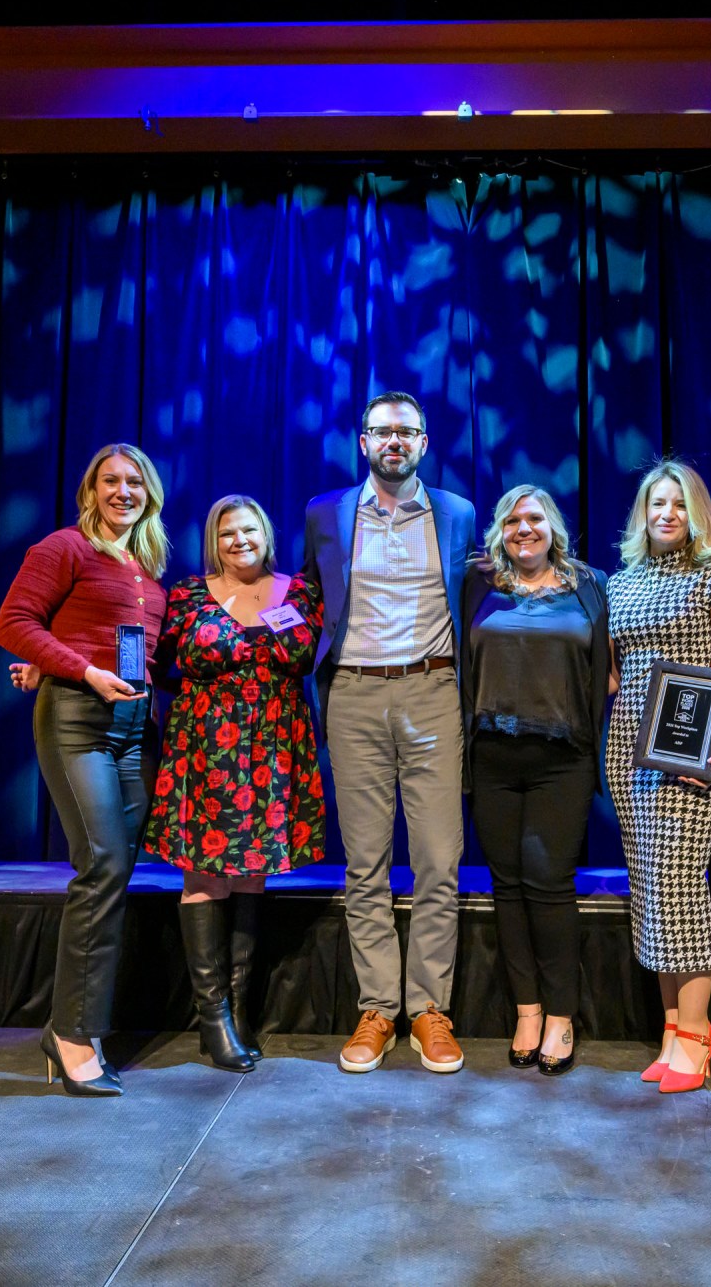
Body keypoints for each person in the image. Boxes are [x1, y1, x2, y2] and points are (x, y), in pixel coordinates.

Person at [303, 391, 477, 1074]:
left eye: (407, 431)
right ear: (363, 442)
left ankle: (429, 1008)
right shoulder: (326, 512)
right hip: (353, 694)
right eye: (382, 431)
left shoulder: (458, 513)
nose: (394, 440)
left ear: (425, 443)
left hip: (433, 691)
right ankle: (378, 1007)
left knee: (438, 859)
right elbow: (308, 598)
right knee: (365, 864)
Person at [0, 443, 169, 1097]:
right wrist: (76, 669)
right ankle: (70, 1034)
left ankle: (78, 1024)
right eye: (110, 481)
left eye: (134, 482)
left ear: (150, 493)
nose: (123, 491)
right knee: (100, 865)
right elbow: (12, 622)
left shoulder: (147, 570)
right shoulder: (64, 547)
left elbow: (140, 652)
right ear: (90, 491)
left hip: (135, 731)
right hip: (78, 721)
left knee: (114, 875)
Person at [141, 495, 326, 1072]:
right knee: (205, 878)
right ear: (213, 542)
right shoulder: (187, 596)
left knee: (251, 876)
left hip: (275, 749)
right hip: (206, 749)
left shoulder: (301, 593)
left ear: (266, 535)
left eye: (249, 530)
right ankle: (213, 1019)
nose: (239, 541)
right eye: (227, 533)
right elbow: (149, 660)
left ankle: (239, 1011)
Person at [605, 459, 711, 1094]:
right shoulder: (621, 583)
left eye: (680, 504)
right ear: (643, 512)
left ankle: (695, 1033)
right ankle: (674, 1030)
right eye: (657, 503)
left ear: (697, 514)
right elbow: (614, 673)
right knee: (652, 892)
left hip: (691, 747)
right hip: (627, 748)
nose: (667, 514)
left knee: (679, 885)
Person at [459, 486, 610, 1077]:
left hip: (562, 758)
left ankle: (561, 1016)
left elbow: (610, 665)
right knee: (507, 885)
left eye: (534, 518)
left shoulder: (588, 585)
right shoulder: (478, 585)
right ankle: (527, 1011)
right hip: (492, 755)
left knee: (548, 882)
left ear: (553, 528)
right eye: (512, 520)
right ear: (500, 531)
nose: (524, 528)